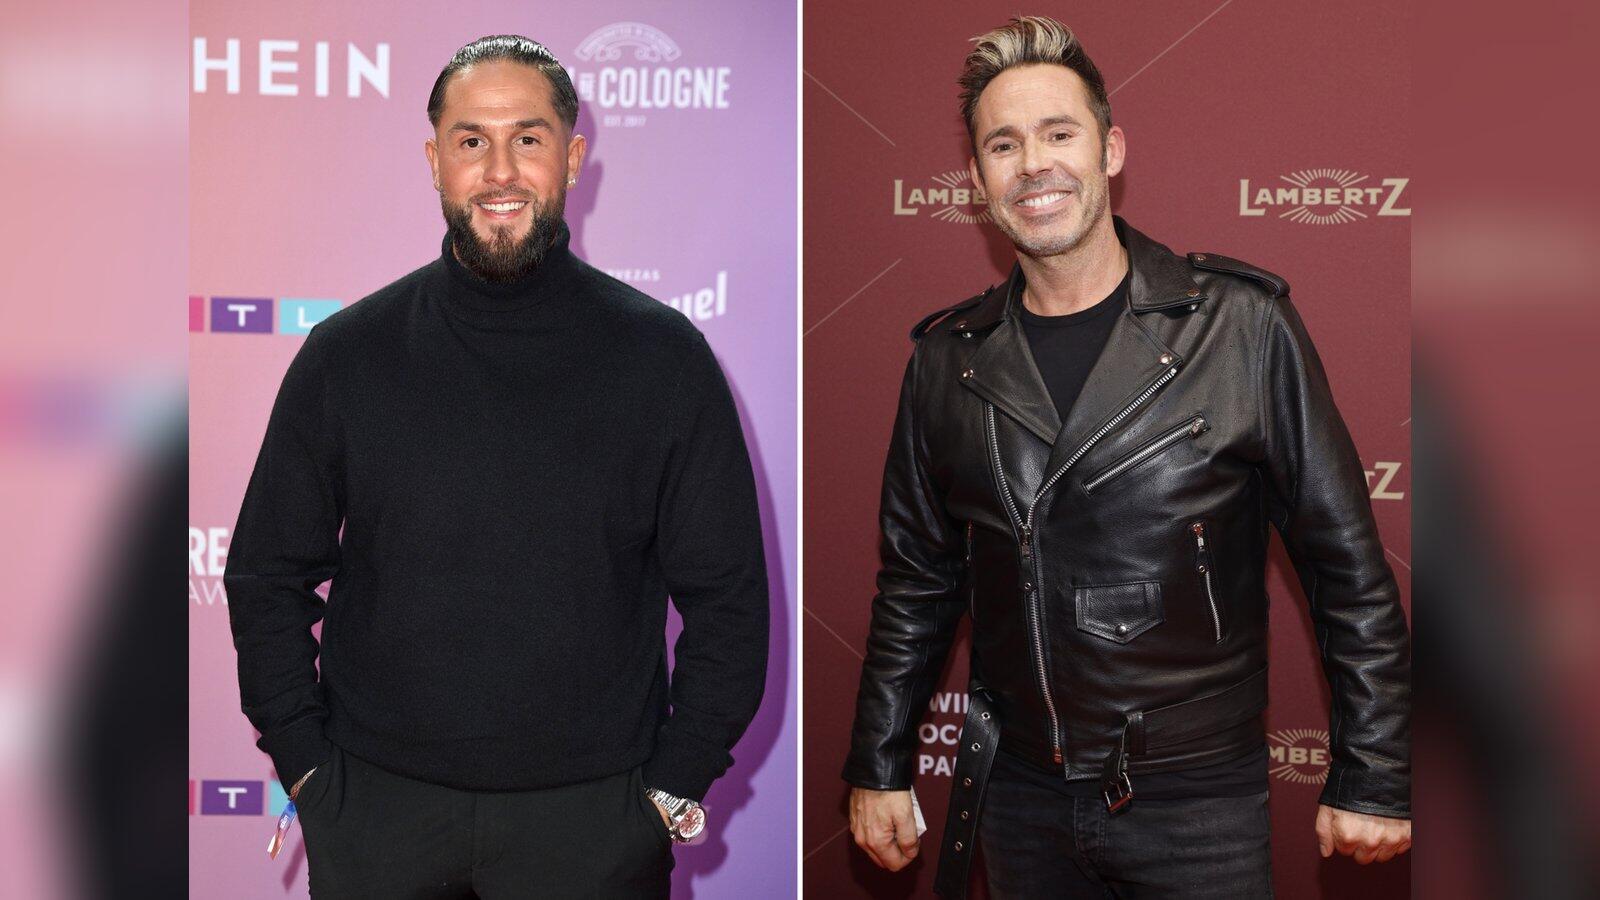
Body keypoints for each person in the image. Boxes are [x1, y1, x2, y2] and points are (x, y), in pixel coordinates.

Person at [842, 16, 1410, 898]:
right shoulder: (947, 361)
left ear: (1110, 150)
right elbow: (917, 581)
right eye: (1003, 144)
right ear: (978, 180)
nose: (1034, 164)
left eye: (1058, 134)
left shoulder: (1240, 326)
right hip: (1018, 796)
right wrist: (878, 763)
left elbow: (1346, 567)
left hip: (1198, 798)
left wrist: (1375, 772)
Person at [225, 34, 768, 898]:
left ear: (573, 159)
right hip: (376, 819)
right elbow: (265, 575)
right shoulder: (347, 355)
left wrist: (672, 786)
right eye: (472, 140)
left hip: (595, 828)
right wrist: (307, 766)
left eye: (529, 138)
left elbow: (729, 600)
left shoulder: (665, 360)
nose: (501, 170)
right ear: (435, 161)